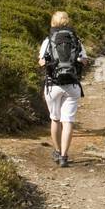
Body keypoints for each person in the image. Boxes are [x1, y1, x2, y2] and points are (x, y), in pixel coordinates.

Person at [38, 11, 87, 167]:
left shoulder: (48, 40)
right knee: (68, 121)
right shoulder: (76, 40)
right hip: (72, 85)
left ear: (53, 23)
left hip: (53, 85)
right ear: (68, 22)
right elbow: (84, 60)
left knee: (55, 119)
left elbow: (41, 61)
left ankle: (58, 151)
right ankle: (64, 156)